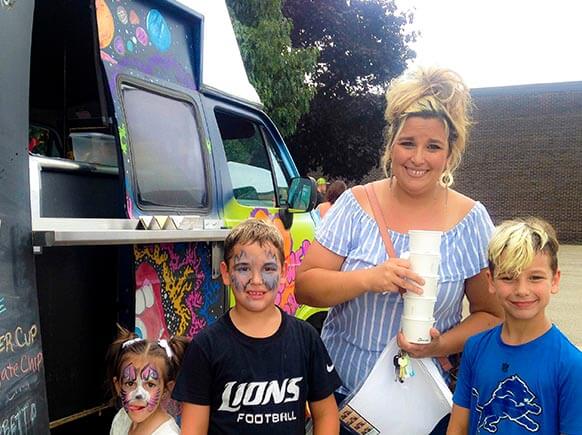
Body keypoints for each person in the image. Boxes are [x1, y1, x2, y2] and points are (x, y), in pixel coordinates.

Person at [295, 66, 504, 433]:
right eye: (408, 142)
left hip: (426, 406)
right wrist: (369, 279)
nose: (418, 158)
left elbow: (491, 313)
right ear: (391, 145)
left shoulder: (471, 219)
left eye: (433, 146)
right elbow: (305, 286)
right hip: (345, 402)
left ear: (450, 153)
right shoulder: (355, 205)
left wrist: (440, 346)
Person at [173, 218, 341, 434]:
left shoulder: (305, 338)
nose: (256, 280)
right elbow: (193, 430)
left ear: (283, 272)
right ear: (225, 272)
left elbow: (326, 414)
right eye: (243, 268)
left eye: (268, 268)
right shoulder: (206, 346)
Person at [447, 218, 582, 435]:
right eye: (508, 278)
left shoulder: (571, 364)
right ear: (490, 281)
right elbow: (459, 427)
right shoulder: (474, 347)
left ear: (555, 280)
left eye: (535, 277)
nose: (521, 290)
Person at [106, 326, 189, 435]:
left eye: (150, 384)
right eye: (130, 383)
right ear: (118, 386)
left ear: (166, 389)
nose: (138, 394)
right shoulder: (122, 419)